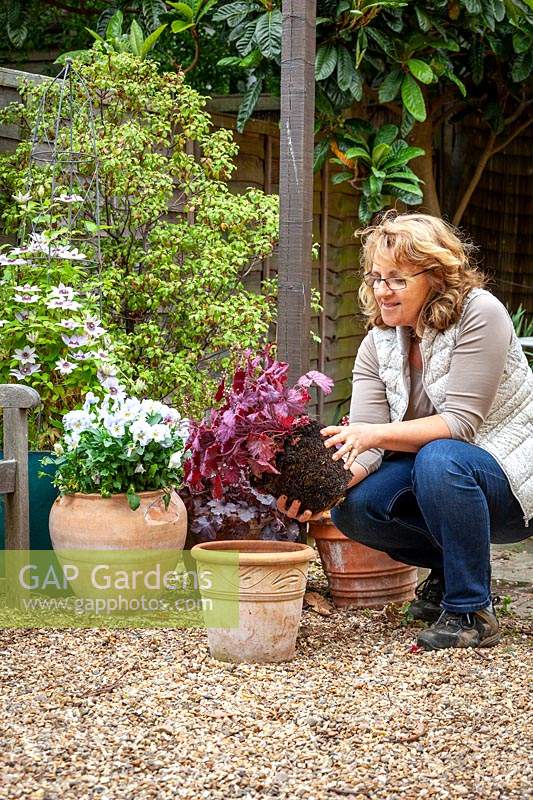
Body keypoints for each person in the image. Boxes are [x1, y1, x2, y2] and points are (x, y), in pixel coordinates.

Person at [278, 210, 533, 651]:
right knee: (355, 508)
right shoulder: (378, 344)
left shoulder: (480, 314)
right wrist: (320, 493)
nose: (381, 290)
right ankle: (453, 571)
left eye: (396, 278)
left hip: (510, 476)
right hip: (442, 478)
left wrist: (370, 435)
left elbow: (459, 424)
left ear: (435, 276)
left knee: (440, 457)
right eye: (376, 277)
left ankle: (471, 611)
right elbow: (368, 448)